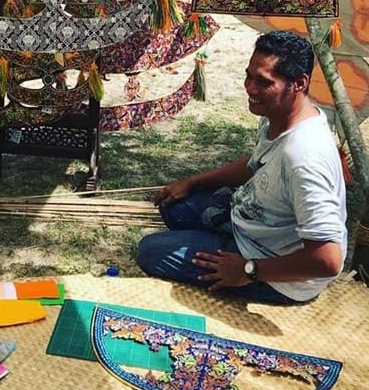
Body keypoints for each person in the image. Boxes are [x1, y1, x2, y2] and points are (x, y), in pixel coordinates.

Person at [137, 30, 347, 304]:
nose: (250, 88)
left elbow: (328, 260)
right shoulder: (280, 114)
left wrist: (247, 269)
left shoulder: (305, 159)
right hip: (252, 227)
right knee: (174, 205)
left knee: (150, 252)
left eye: (263, 82)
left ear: (299, 83)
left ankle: (230, 258)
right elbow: (254, 165)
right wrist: (192, 182)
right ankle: (216, 242)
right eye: (249, 77)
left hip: (276, 271)